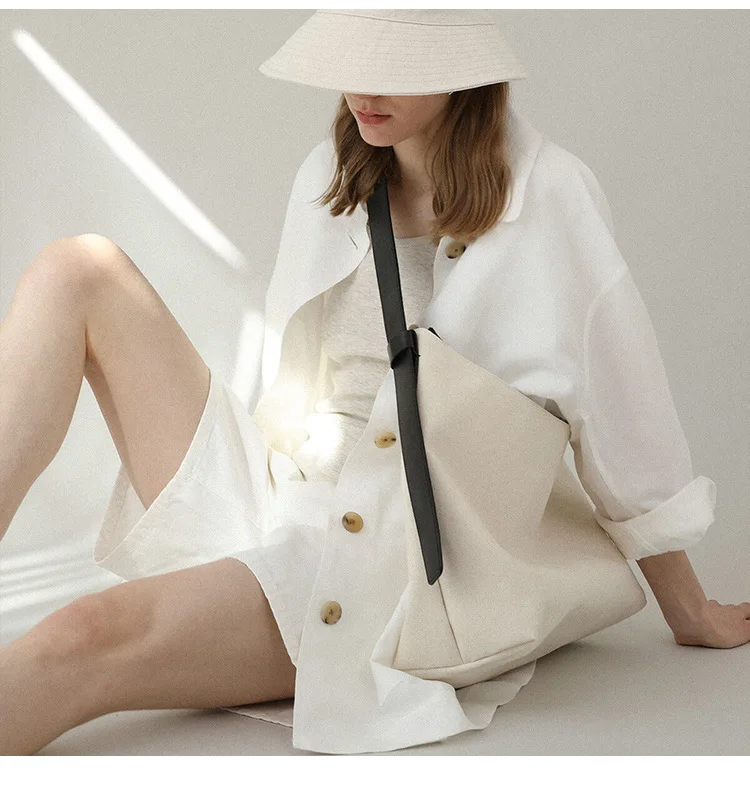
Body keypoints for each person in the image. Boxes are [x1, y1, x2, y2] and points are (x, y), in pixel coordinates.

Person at [0, 9, 747, 757]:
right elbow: (299, 390)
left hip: (383, 559)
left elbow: (619, 410)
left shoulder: (550, 195)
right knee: (78, 268)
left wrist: (688, 610)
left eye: (396, 65)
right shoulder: (332, 173)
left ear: (461, 70)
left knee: (80, 636)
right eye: (352, 60)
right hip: (281, 492)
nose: (363, 89)